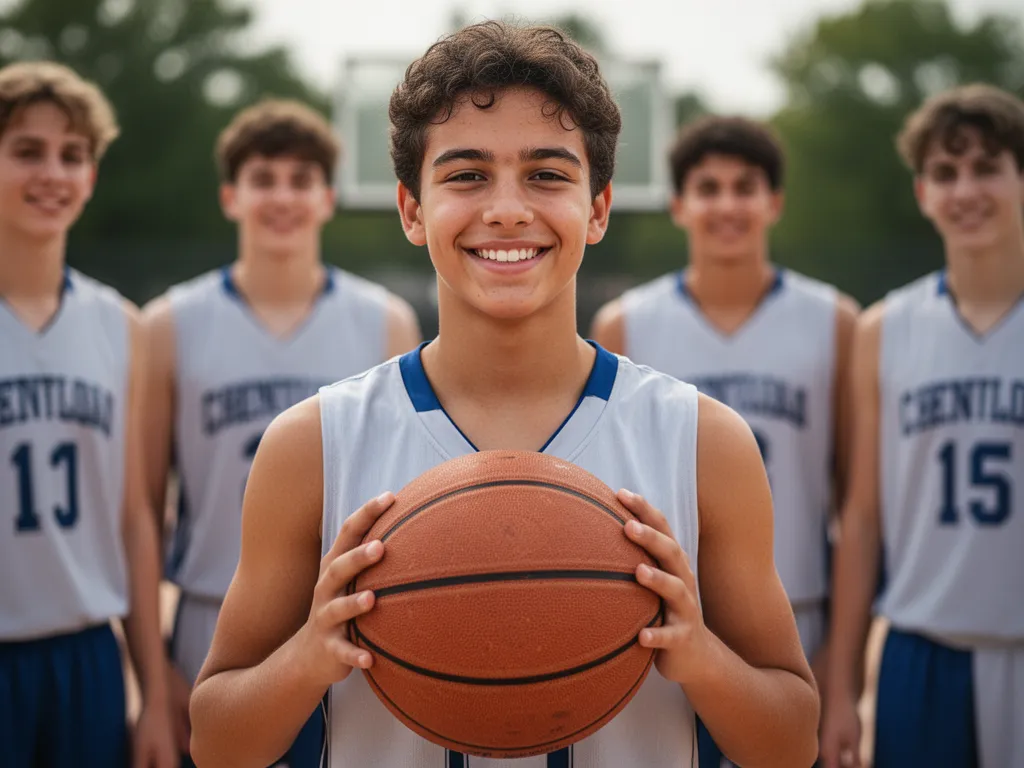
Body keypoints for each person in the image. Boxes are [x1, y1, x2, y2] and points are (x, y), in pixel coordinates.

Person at [188, 22, 819, 768]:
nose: (508, 209)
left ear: (599, 207)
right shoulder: (312, 443)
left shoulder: (703, 440)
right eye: (467, 175)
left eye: (548, 174)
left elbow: (791, 740)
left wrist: (701, 656)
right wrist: (309, 655)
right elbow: (217, 742)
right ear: (411, 209)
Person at [141, 98, 421, 766]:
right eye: (264, 179)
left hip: (357, 616)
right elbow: (145, 509)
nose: (283, 197)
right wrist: (154, 678)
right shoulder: (167, 324)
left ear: (328, 199)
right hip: (211, 615)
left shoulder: (384, 320)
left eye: (301, 180)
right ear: (231, 196)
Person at [591, 115, 858, 767]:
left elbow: (853, 506)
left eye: (746, 187)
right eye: (708, 188)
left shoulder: (836, 321)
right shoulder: (625, 323)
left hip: (798, 615)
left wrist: (841, 661)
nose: (728, 204)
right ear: (679, 205)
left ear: (774, 202)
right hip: (659, 625)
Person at [820, 84, 1024, 768]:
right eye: (945, 172)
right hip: (920, 646)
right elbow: (863, 516)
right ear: (922, 193)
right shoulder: (884, 329)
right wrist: (844, 686)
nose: (965, 189)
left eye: (987, 167)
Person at [0, 61, 175, 767]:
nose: (53, 172)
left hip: (87, 660)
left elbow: (132, 517)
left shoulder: (119, 325)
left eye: (73, 156)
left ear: (91, 177)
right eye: (27, 151)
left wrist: (155, 694)